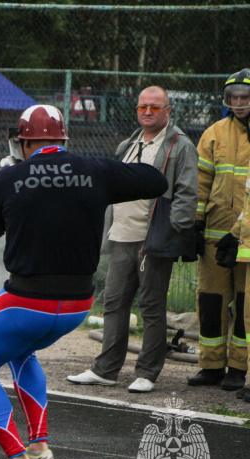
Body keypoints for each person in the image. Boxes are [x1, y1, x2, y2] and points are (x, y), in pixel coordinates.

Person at [0, 104, 167, 459]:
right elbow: (155, 181)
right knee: (21, 353)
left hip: (26, 303)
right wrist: (108, 173)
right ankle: (39, 448)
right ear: (62, 139)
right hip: (76, 306)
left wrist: (10, 182)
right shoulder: (94, 170)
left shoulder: (11, 176)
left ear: (24, 143)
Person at [67, 86, 197, 393]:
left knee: (152, 307)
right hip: (121, 238)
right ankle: (106, 370)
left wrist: (167, 233)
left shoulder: (180, 146)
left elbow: (187, 195)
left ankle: (147, 373)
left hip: (153, 240)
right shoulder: (128, 144)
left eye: (155, 107)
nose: (148, 112)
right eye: (142, 107)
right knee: (114, 303)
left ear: (168, 110)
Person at [187, 69, 250, 392]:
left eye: (244, 98)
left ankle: (239, 367)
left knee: (244, 303)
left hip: (247, 240)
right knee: (211, 300)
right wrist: (194, 226)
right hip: (215, 236)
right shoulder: (213, 133)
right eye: (233, 98)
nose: (238, 103)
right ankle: (211, 365)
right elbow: (201, 183)